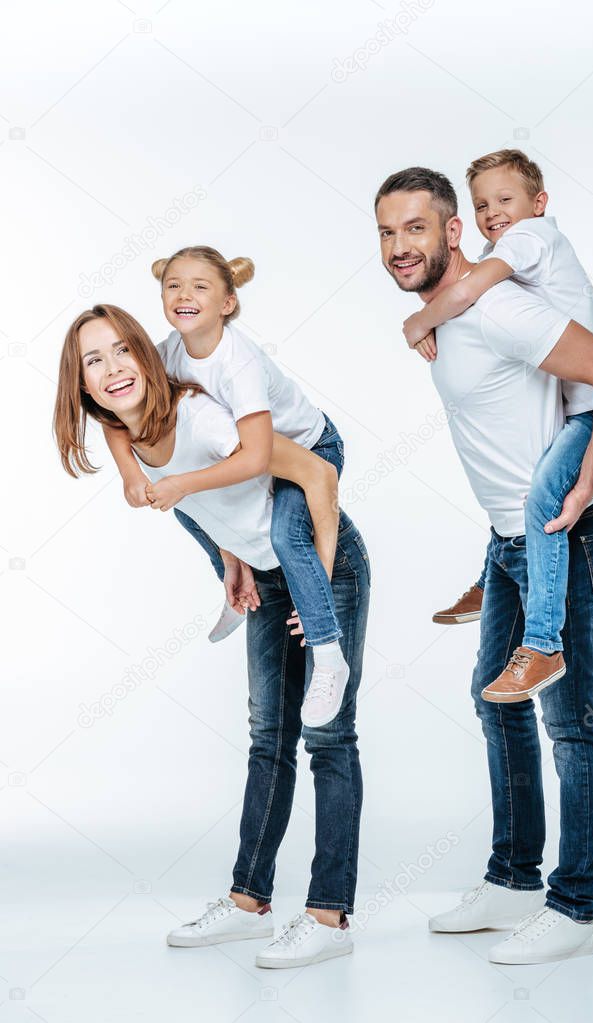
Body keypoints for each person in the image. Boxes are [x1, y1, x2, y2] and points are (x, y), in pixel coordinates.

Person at [375, 167, 593, 964]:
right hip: (504, 541)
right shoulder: (444, 314)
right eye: (388, 233)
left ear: (454, 232)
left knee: (570, 720)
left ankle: (573, 909)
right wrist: (422, 318)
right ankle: (511, 881)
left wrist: (589, 477)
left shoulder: (496, 304)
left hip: (560, 535)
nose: (399, 247)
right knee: (493, 703)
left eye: (415, 229)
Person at [53, 303, 371, 970]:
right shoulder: (127, 432)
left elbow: (318, 475)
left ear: (148, 355)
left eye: (121, 351)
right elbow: (185, 501)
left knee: (327, 735)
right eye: (93, 359)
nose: (111, 368)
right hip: (263, 573)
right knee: (267, 737)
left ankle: (328, 915)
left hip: (322, 557)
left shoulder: (201, 414)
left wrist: (320, 603)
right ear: (81, 383)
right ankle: (250, 901)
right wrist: (228, 559)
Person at [399, 149, 593, 704]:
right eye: (482, 205)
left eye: (505, 200)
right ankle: (495, 574)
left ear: (538, 204)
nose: (493, 213)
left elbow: (473, 288)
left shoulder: (531, 238)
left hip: (590, 407)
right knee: (516, 476)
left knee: (542, 497)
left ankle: (543, 643)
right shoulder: (511, 247)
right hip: (573, 405)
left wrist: (420, 317)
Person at [104, 246, 350, 727]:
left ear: (227, 303)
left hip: (308, 451)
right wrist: (132, 473)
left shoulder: (238, 363)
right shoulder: (165, 353)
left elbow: (258, 457)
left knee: (282, 532)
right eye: (173, 285)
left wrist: (314, 584)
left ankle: (328, 655)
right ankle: (235, 579)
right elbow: (116, 410)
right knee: (182, 505)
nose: (183, 294)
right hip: (248, 453)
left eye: (200, 286)